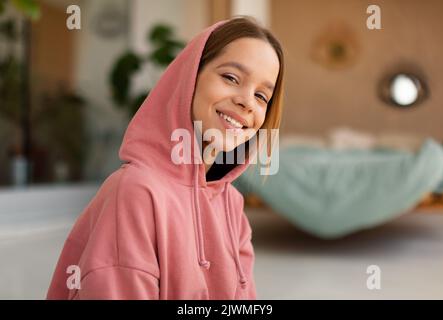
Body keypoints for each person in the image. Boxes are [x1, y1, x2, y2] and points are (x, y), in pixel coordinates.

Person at [47, 16, 285, 300]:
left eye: (261, 95)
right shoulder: (135, 192)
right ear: (190, 78)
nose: (247, 101)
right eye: (231, 78)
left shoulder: (231, 204)